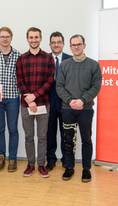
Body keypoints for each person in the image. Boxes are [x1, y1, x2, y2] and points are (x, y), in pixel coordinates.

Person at [56, 34, 102, 182]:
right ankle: (69, 167)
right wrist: (70, 101)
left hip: (86, 109)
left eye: (79, 44)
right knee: (68, 139)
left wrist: (82, 100)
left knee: (86, 140)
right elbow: (59, 86)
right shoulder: (64, 65)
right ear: (70, 47)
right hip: (67, 109)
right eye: (73, 45)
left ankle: (86, 169)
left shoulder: (94, 65)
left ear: (84, 45)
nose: (76, 47)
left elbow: (96, 87)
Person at [16, 27, 55, 178]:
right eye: (31, 37)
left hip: (43, 103)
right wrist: (28, 98)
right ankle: (30, 164)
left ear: (40, 38)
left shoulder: (48, 58)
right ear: (27, 39)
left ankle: (41, 165)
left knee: (42, 137)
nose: (34, 40)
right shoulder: (21, 59)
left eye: (36, 37)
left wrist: (35, 97)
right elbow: (19, 80)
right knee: (29, 136)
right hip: (26, 105)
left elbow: (49, 81)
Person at [0, 27, 21, 172]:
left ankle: (12, 158)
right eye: (2, 37)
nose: (5, 39)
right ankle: (1, 156)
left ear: (11, 38)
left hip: (13, 97)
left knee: (13, 129)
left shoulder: (19, 55)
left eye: (7, 36)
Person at [45, 32, 72, 171]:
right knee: (50, 132)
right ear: (50, 44)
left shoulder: (71, 59)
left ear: (63, 44)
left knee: (66, 132)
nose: (56, 45)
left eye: (59, 42)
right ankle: (50, 159)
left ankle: (67, 160)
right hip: (48, 101)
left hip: (66, 102)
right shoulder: (45, 58)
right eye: (53, 42)